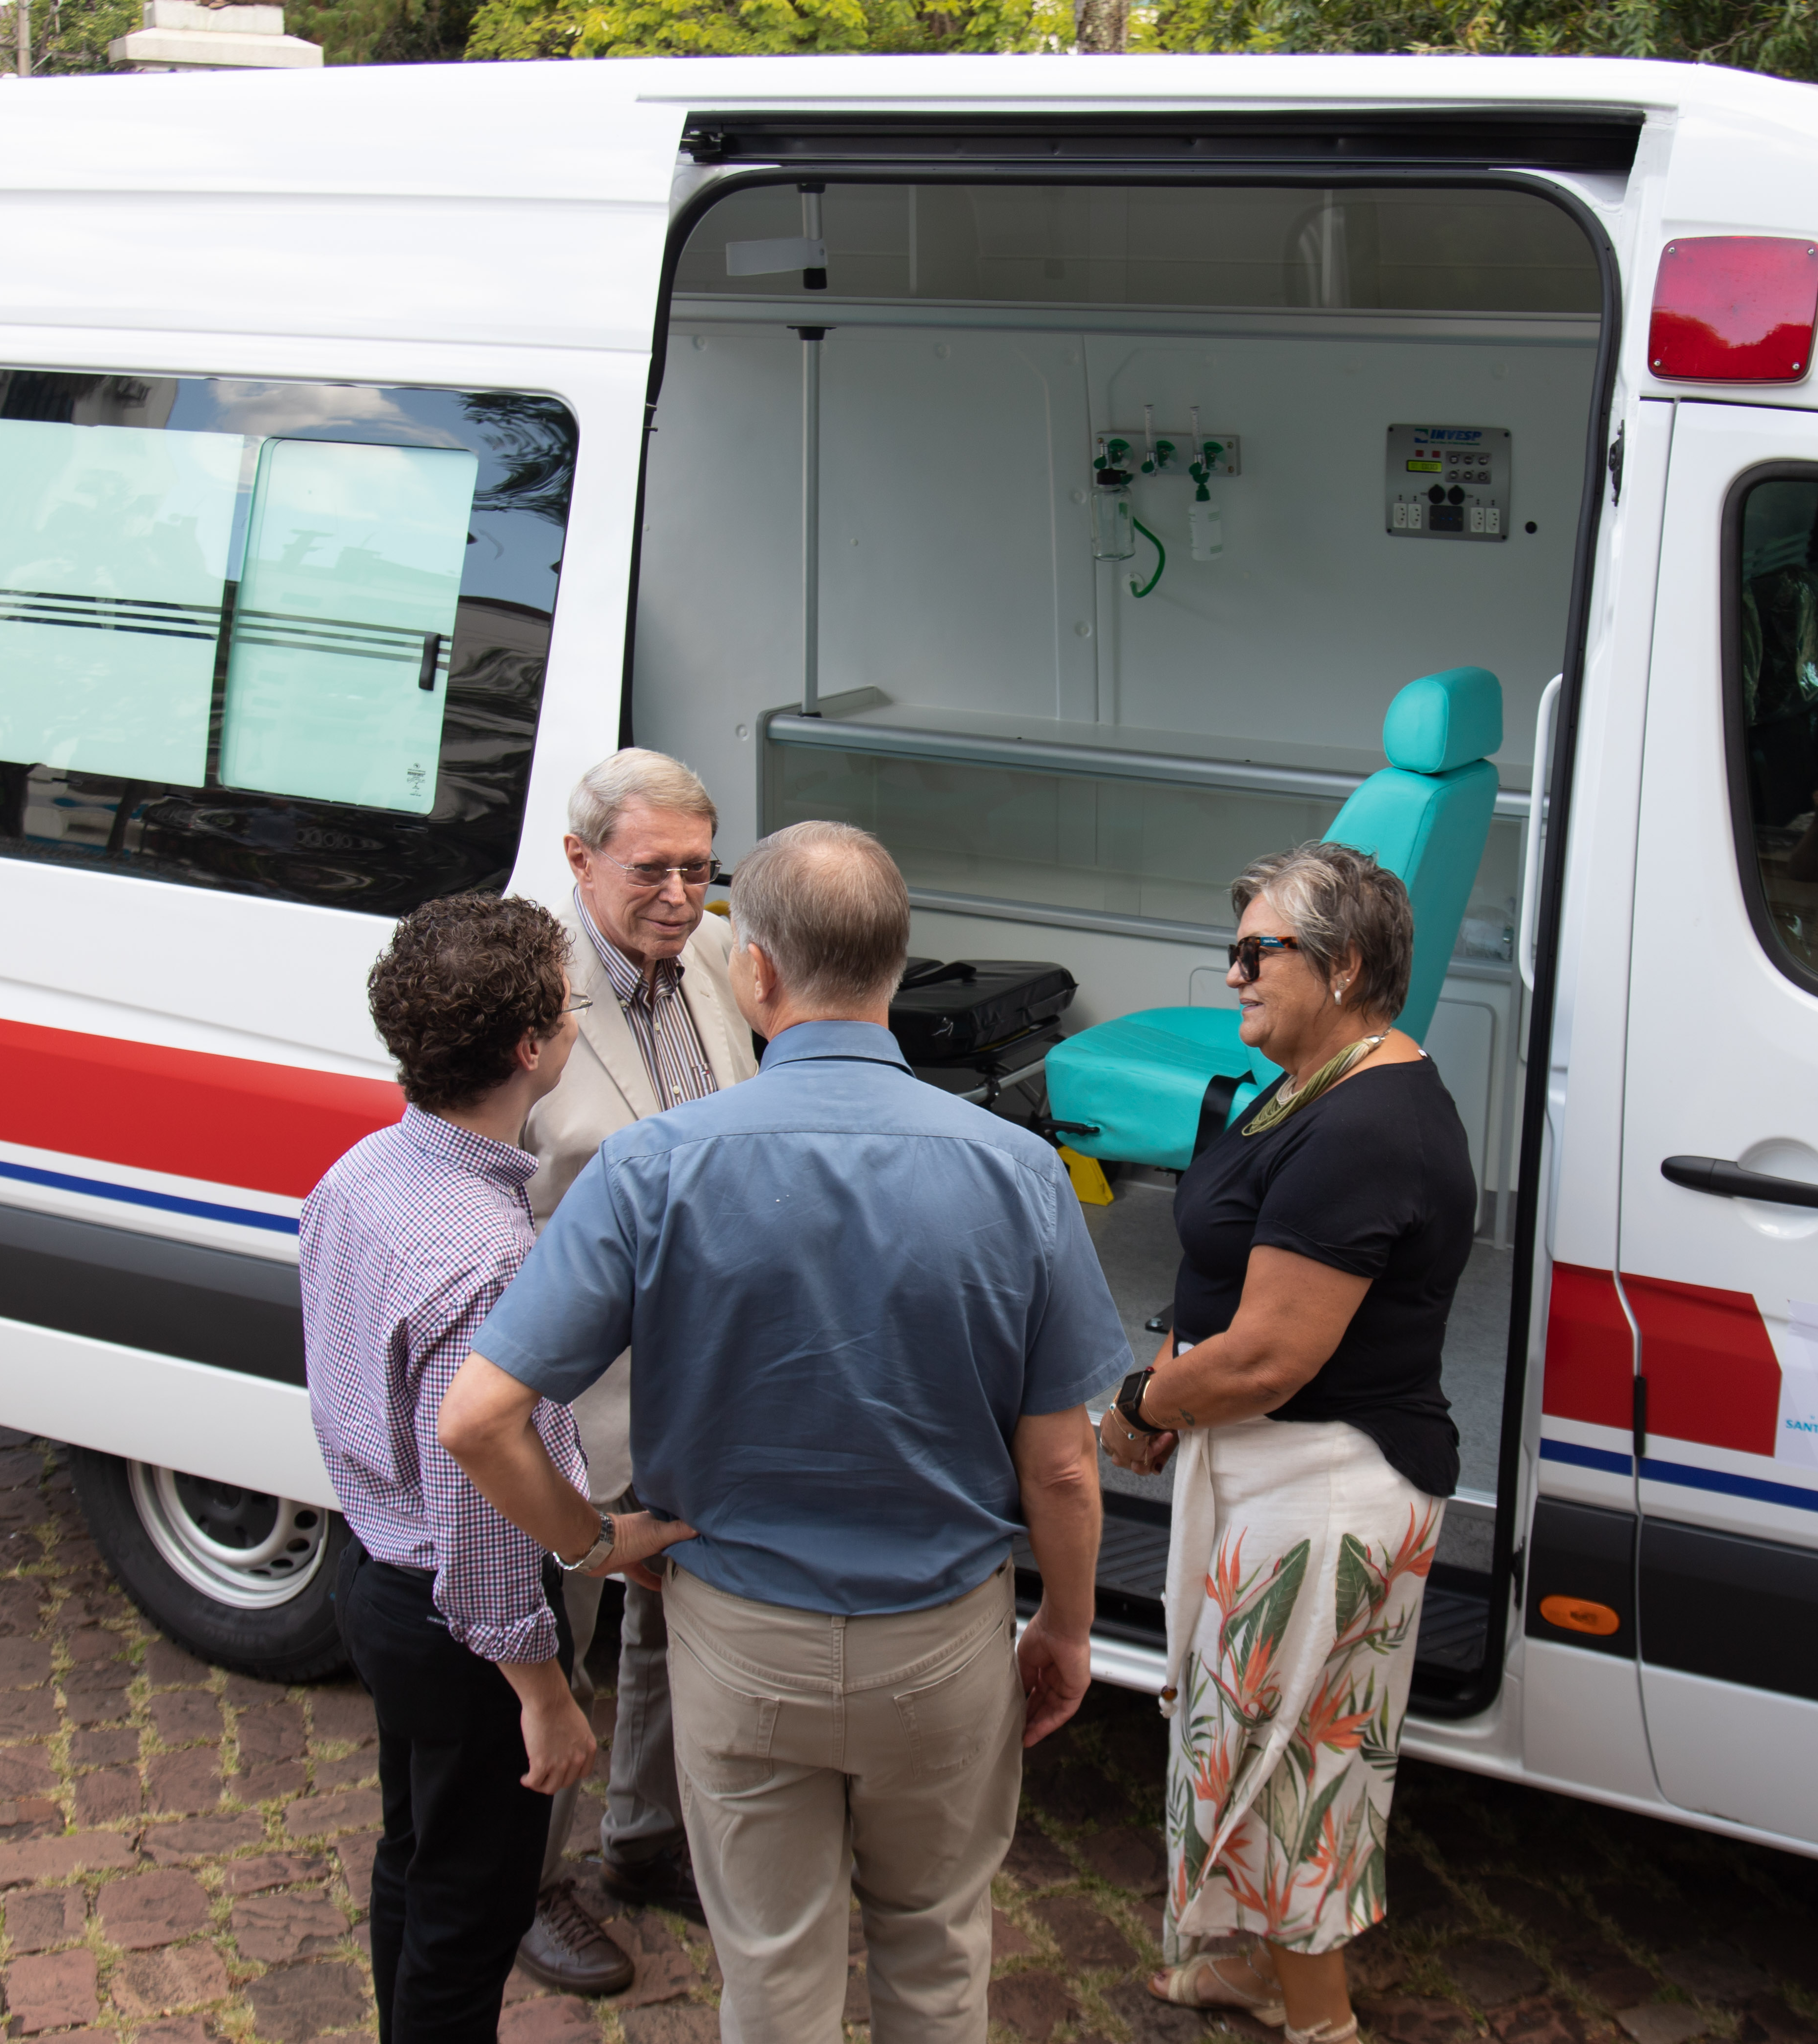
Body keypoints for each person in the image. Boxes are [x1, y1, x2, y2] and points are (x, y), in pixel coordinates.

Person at [441, 820, 1123, 2044]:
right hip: (942, 1637)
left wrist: (594, 1542)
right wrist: (1064, 1623)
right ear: (899, 969)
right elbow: (1064, 1463)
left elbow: (480, 1420)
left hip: (742, 1638)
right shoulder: (1022, 1173)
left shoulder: (650, 1166)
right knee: (936, 1946)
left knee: (772, 1968)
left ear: (754, 972)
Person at [1100, 842, 1472, 2044]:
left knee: (1293, 1773)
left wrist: (1144, 1406)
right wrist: (1178, 1378)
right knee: (1258, 1746)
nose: (1234, 975)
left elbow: (1269, 1354)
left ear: (1346, 962)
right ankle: (1257, 1974)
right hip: (1280, 1470)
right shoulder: (1314, 1076)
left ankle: (1321, 2026)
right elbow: (1229, 1287)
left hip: (1325, 1486)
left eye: (1257, 952)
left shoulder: (1367, 1124)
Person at [299, 893, 615, 2044]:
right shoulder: (490, 1257)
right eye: (572, 1004)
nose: (579, 1020)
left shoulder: (361, 1171)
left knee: (412, 1856)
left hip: (374, 1578)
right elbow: (480, 1510)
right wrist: (545, 1693)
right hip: (459, 1625)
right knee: (470, 1917)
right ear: (530, 1049)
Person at [518, 749, 761, 1940]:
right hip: (579, 1389)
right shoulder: (523, 989)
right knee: (552, 1631)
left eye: (699, 870)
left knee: (678, 1616)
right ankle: (526, 1884)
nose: (679, 894)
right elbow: (479, 1193)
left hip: (703, 1377)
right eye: (651, 869)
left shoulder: (718, 956)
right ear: (578, 860)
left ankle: (647, 1843)